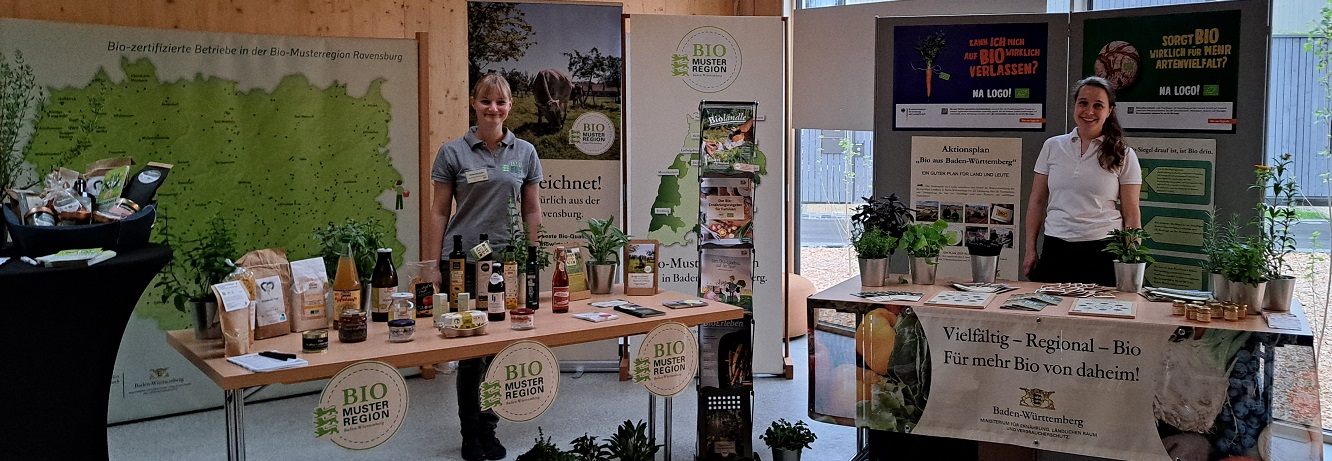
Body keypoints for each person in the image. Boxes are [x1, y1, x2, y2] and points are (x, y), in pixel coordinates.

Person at [425, 74, 542, 461]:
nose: (494, 108)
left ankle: (489, 429)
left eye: (501, 102)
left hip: (507, 264)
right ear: (474, 103)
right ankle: (469, 434)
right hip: (464, 263)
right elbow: (440, 211)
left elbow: (531, 209)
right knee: (472, 352)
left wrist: (532, 255)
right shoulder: (452, 152)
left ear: (510, 106)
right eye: (486, 101)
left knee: (500, 351)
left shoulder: (525, 151)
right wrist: (432, 266)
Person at [1023, 76, 1141, 287]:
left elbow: (1131, 214)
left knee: (1099, 316)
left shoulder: (1123, 154)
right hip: (1056, 248)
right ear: (1075, 105)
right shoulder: (1052, 146)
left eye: (1098, 105)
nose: (1089, 111)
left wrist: (1131, 260)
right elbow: (1037, 201)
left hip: (1102, 252)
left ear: (1109, 111)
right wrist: (1030, 249)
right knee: (1050, 315)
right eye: (1083, 103)